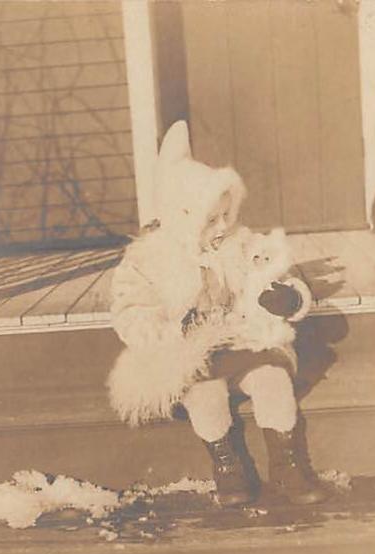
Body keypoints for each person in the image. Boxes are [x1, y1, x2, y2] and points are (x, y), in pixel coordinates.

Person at [108, 121, 327, 508]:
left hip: (244, 341)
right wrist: (174, 327)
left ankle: (287, 465)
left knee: (272, 379)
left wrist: (289, 298)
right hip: (191, 352)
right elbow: (130, 312)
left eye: (227, 214)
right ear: (182, 216)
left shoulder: (242, 244)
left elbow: (278, 271)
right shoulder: (149, 260)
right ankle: (228, 467)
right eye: (212, 219)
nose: (223, 226)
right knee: (205, 395)